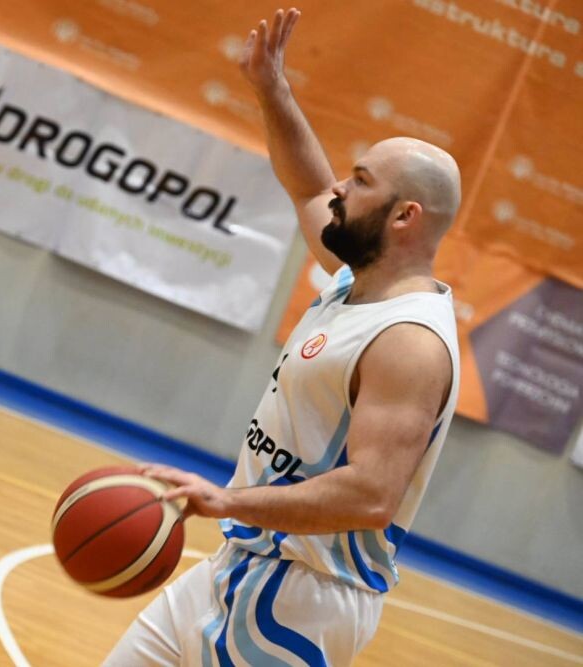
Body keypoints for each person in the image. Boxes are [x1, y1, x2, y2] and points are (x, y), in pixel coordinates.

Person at [103, 7, 462, 666]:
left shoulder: (409, 341)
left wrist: (226, 499)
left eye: (360, 182)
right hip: (238, 562)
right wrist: (271, 88)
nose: (340, 189)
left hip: (299, 601)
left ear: (405, 216)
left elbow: (372, 494)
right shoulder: (353, 282)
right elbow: (307, 186)